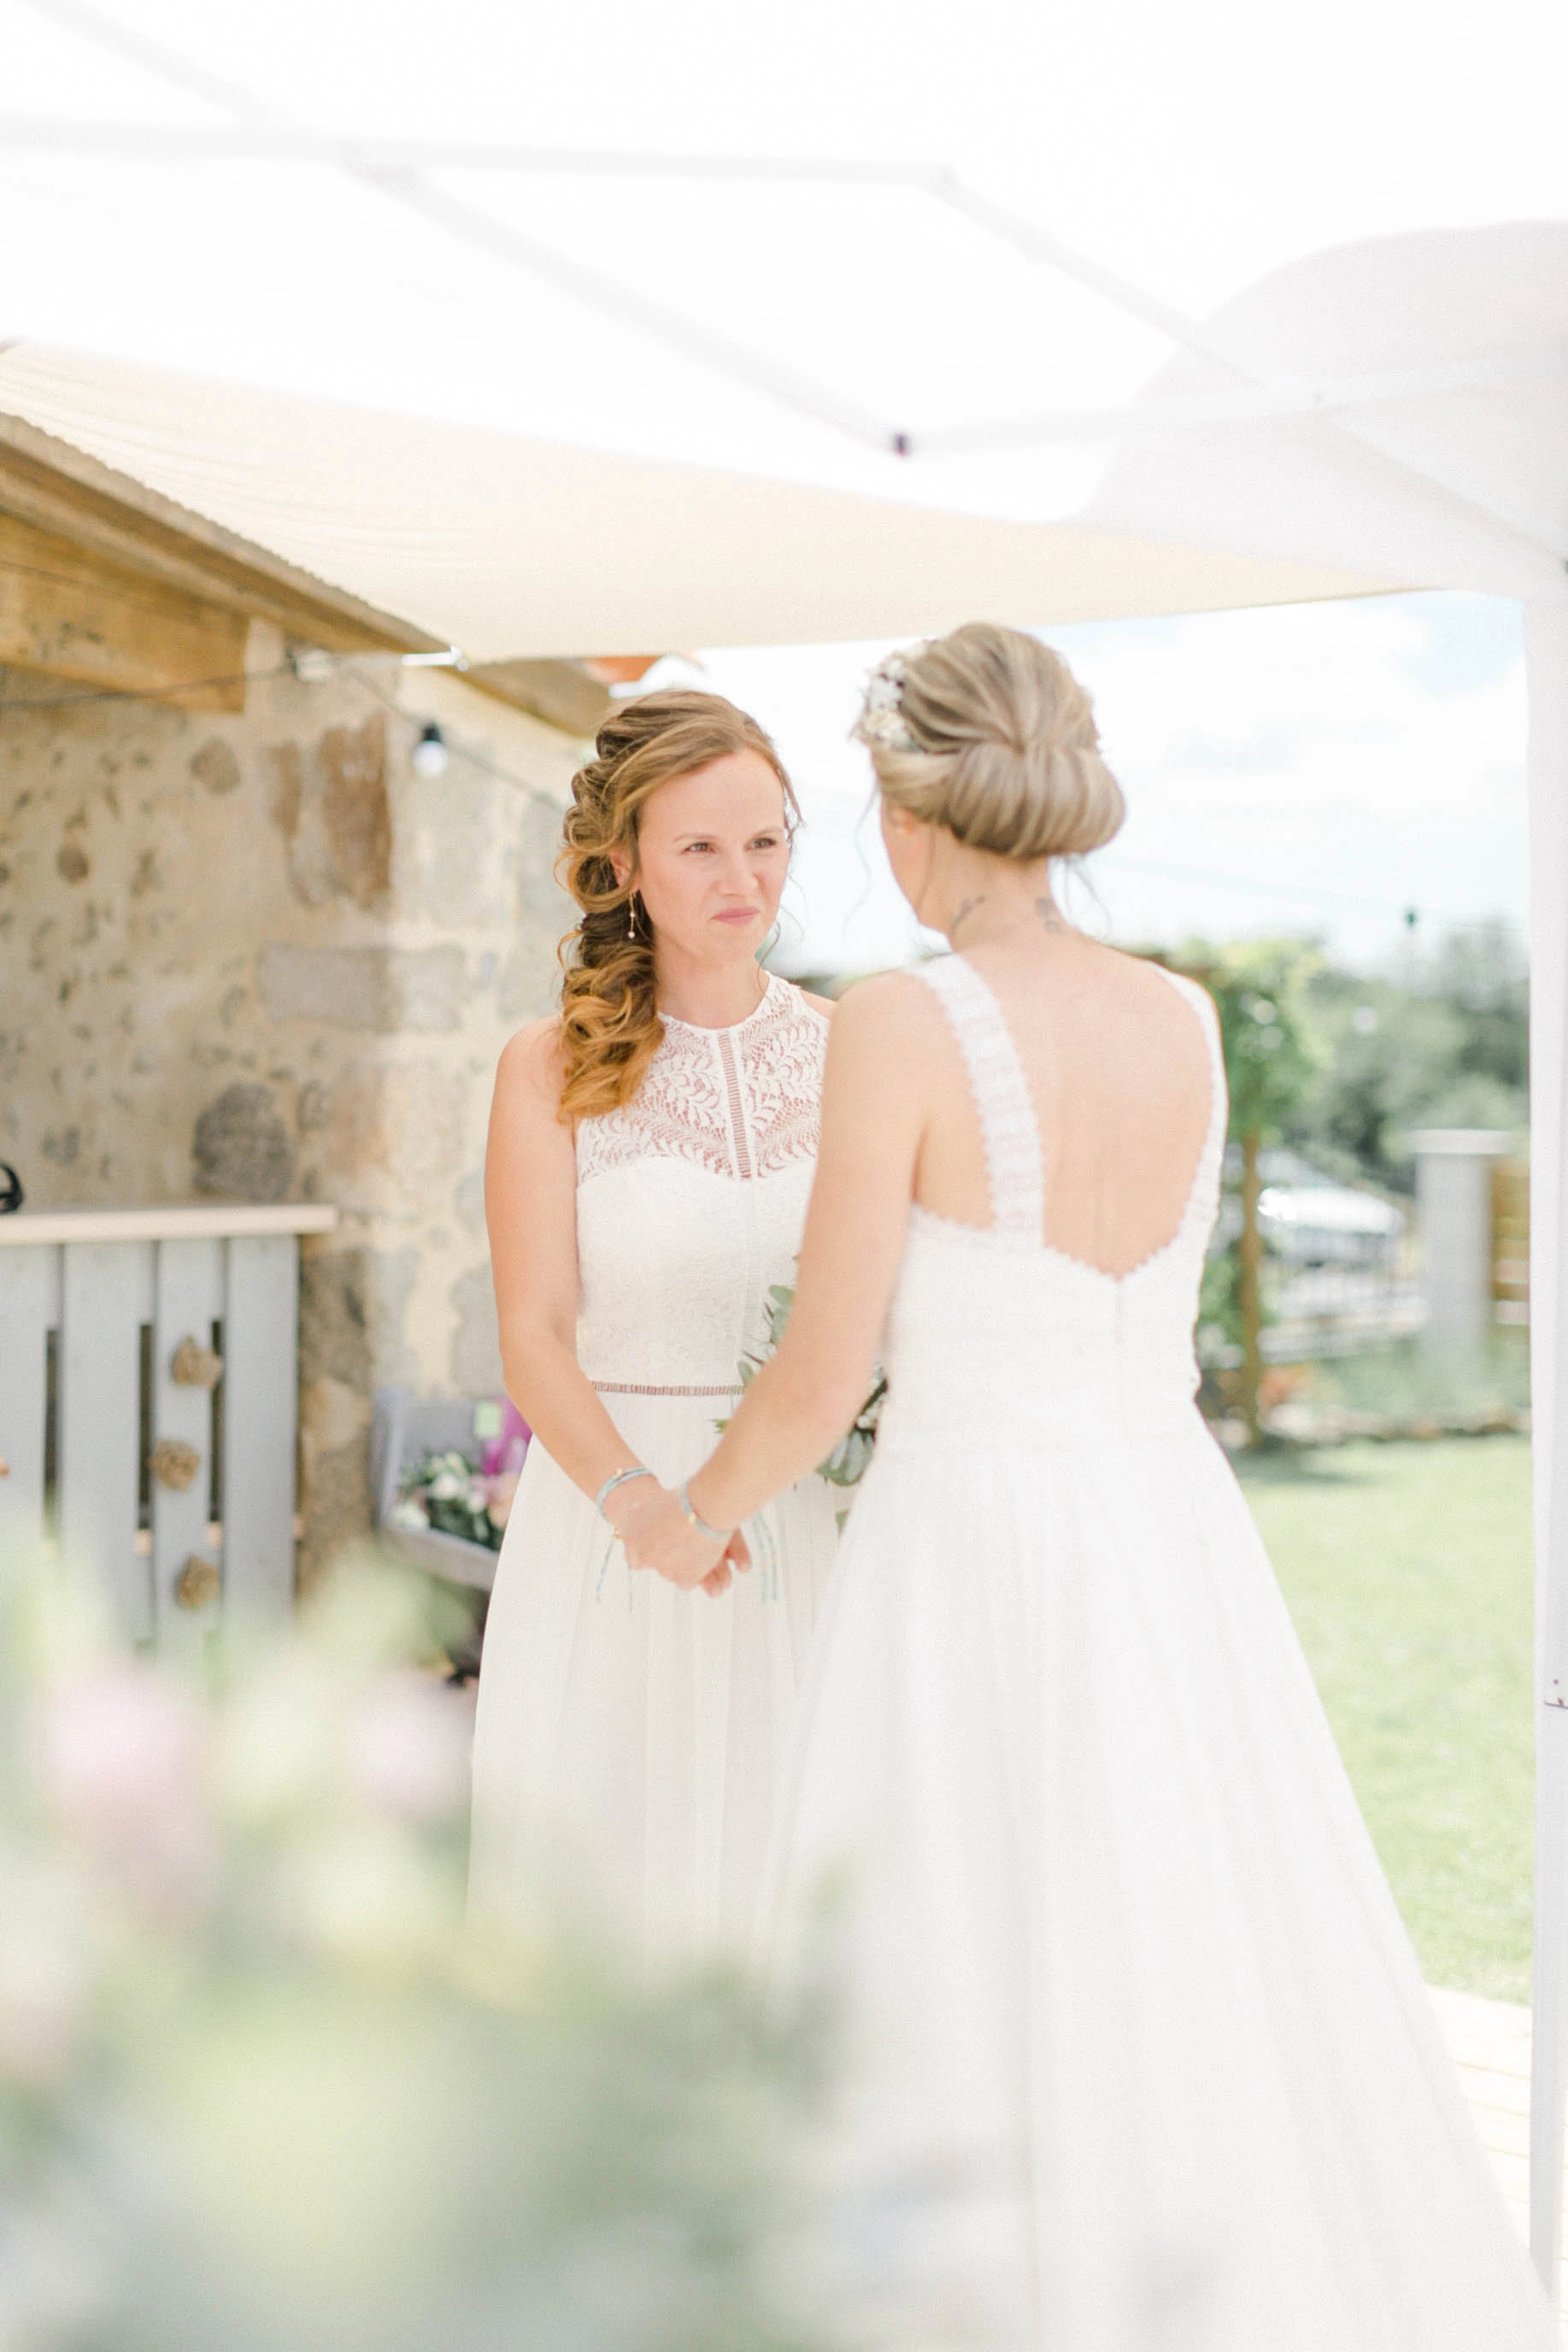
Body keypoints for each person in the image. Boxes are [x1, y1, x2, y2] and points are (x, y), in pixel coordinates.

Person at [625, 627, 1558, 2348]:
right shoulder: (1183, 1015)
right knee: (1180, 1927)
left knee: (962, 1953)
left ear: (915, 815)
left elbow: (825, 1366)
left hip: (971, 1544)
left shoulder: (902, 1018)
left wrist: (681, 1513)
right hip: (1161, 1530)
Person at [468, 690, 840, 1953]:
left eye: (766, 840)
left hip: (808, 1533)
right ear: (621, 863)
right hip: (613, 1532)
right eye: (699, 847)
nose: (743, 877)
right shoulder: (546, 1067)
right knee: (609, 1911)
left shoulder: (854, 1054)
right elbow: (534, 1333)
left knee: (799, 1902)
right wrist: (641, 1509)